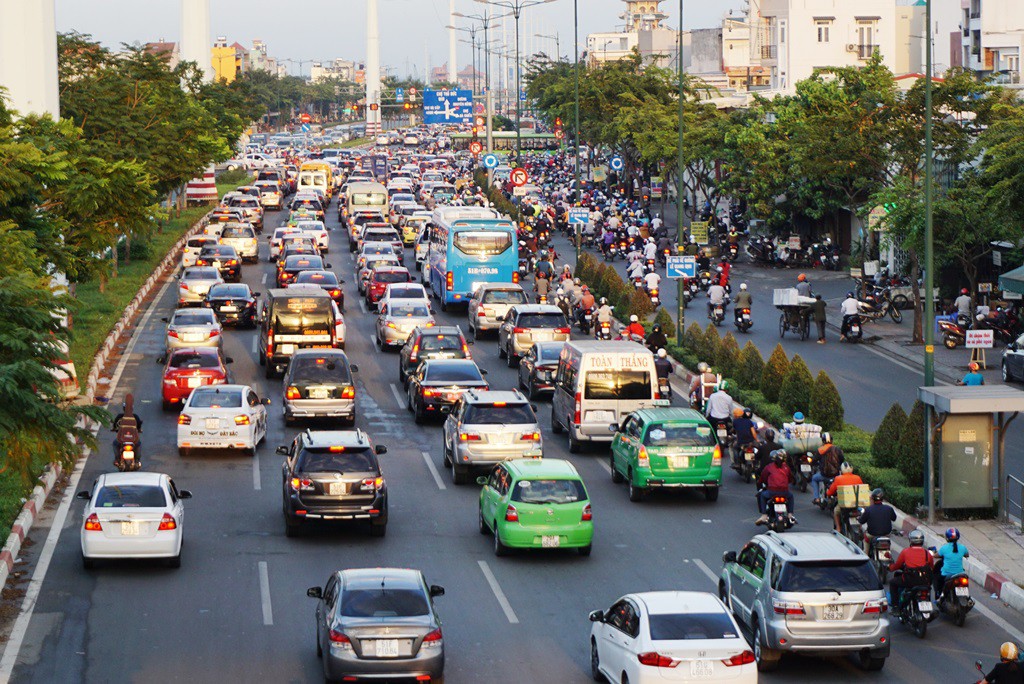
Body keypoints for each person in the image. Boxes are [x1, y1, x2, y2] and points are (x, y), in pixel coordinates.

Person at [888, 530, 934, 615]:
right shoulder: (927, 554)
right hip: (925, 581)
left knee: (892, 583)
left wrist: (891, 568)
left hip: (909, 581)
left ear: (910, 540)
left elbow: (897, 565)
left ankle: (895, 607)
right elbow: (931, 567)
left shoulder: (905, 552)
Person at [756, 450, 794, 524]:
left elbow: (763, 478)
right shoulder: (786, 468)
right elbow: (790, 479)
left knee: (762, 496)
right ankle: (790, 514)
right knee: (791, 496)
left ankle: (764, 515)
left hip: (772, 492)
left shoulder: (769, 467)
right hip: (784, 492)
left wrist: (761, 483)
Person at [826, 462, 865, 532]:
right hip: (856, 503)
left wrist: (828, 493)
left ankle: (838, 528)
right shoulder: (857, 478)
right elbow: (862, 490)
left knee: (836, 511)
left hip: (844, 504)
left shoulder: (838, 478)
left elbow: (830, 492)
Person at [933, 527, 970, 599]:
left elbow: (936, 555)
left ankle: (939, 596)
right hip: (960, 573)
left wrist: (934, 553)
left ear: (947, 538)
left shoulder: (944, 548)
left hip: (947, 574)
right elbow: (967, 554)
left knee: (938, 581)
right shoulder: (962, 547)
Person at [859, 488, 897, 555]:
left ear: (873, 499)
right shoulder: (889, 508)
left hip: (872, 534)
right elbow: (894, 518)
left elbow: (861, 521)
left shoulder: (868, 509)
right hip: (886, 534)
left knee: (866, 540)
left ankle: (866, 555)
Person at [811, 433, 843, 504]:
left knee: (814, 478)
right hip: (835, 475)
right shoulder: (837, 449)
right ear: (831, 440)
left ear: (823, 440)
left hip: (824, 475)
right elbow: (842, 459)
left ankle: (816, 498)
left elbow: (814, 460)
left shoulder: (820, 450)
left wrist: (812, 464)